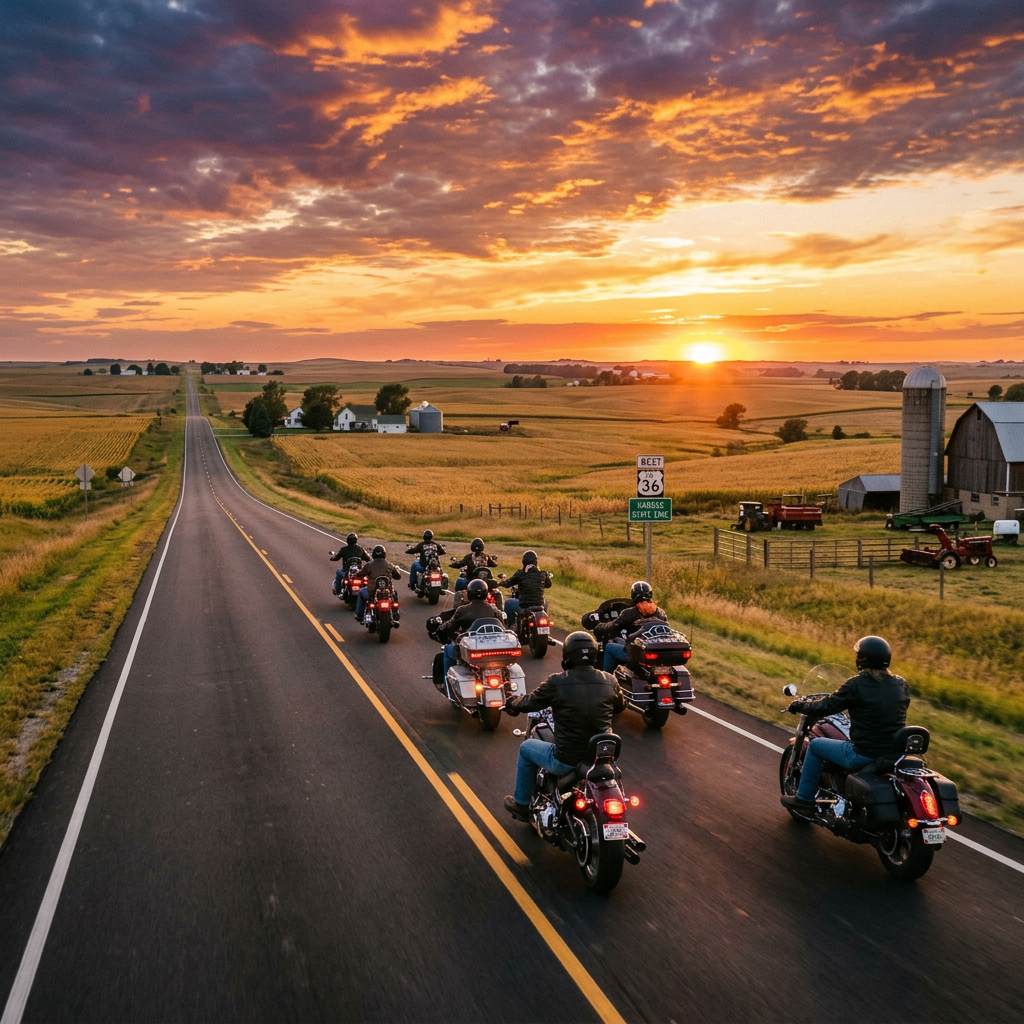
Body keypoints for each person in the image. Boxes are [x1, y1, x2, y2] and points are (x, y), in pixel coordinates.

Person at [781, 636, 910, 817]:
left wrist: (799, 705)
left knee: (816, 746)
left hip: (863, 753)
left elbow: (825, 706)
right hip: (892, 754)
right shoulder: (901, 684)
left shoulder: (857, 684)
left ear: (862, 659)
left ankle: (803, 799)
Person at [502, 631, 626, 819]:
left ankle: (522, 804)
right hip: (600, 758)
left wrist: (512, 702)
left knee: (526, 747)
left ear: (567, 656)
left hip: (566, 760)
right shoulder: (610, 680)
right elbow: (620, 706)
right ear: (594, 655)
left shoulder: (557, 682)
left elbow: (530, 703)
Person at [436, 578, 504, 678]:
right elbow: (502, 627)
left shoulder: (462, 610)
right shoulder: (493, 609)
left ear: (469, 593)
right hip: (492, 648)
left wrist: (440, 630)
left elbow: (450, 627)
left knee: (448, 650)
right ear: (486, 593)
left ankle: (447, 679)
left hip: (471, 650)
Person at [596, 581, 668, 673]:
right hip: (657, 654)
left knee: (610, 647)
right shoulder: (660, 613)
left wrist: (600, 626)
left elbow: (612, 627)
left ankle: (607, 680)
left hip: (638, 654)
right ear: (650, 595)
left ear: (633, 596)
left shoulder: (629, 613)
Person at [499, 550, 551, 626]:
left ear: (523, 561)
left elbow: (507, 584)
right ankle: (545, 622)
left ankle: (510, 625)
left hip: (524, 605)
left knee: (508, 603)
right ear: (536, 562)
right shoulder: (543, 574)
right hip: (539, 605)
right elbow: (548, 585)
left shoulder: (520, 573)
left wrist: (500, 583)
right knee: (545, 602)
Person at [355, 544, 402, 621]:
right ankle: (395, 612)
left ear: (373, 554)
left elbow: (360, 574)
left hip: (372, 591)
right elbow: (398, 576)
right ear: (384, 554)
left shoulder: (369, 565)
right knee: (395, 593)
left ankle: (359, 615)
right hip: (388, 591)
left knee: (361, 592)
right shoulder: (389, 565)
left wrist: (357, 573)